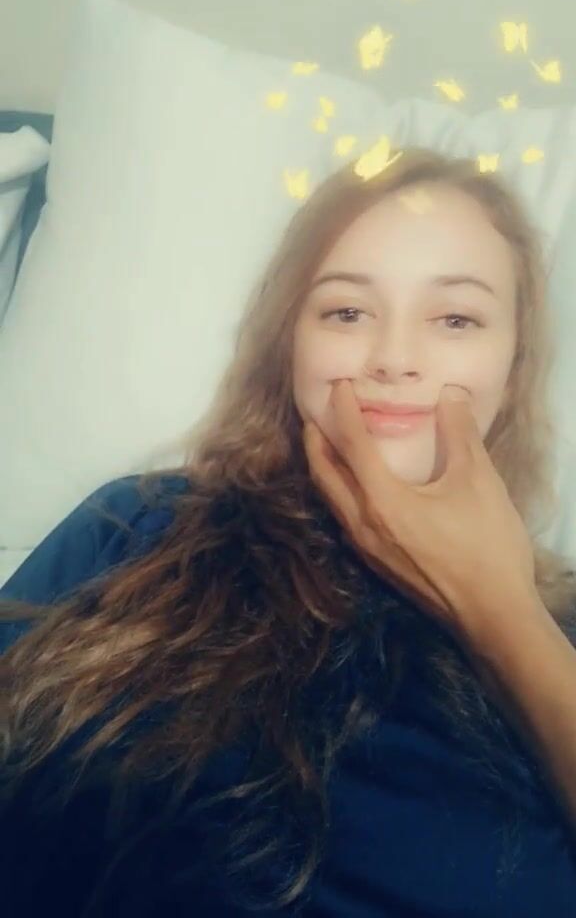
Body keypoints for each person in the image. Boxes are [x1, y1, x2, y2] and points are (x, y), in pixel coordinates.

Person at [2, 147, 576, 917]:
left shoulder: (562, 631)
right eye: (347, 312)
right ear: (292, 346)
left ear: (513, 363)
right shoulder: (136, 529)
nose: (394, 358)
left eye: (455, 319)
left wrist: (501, 611)